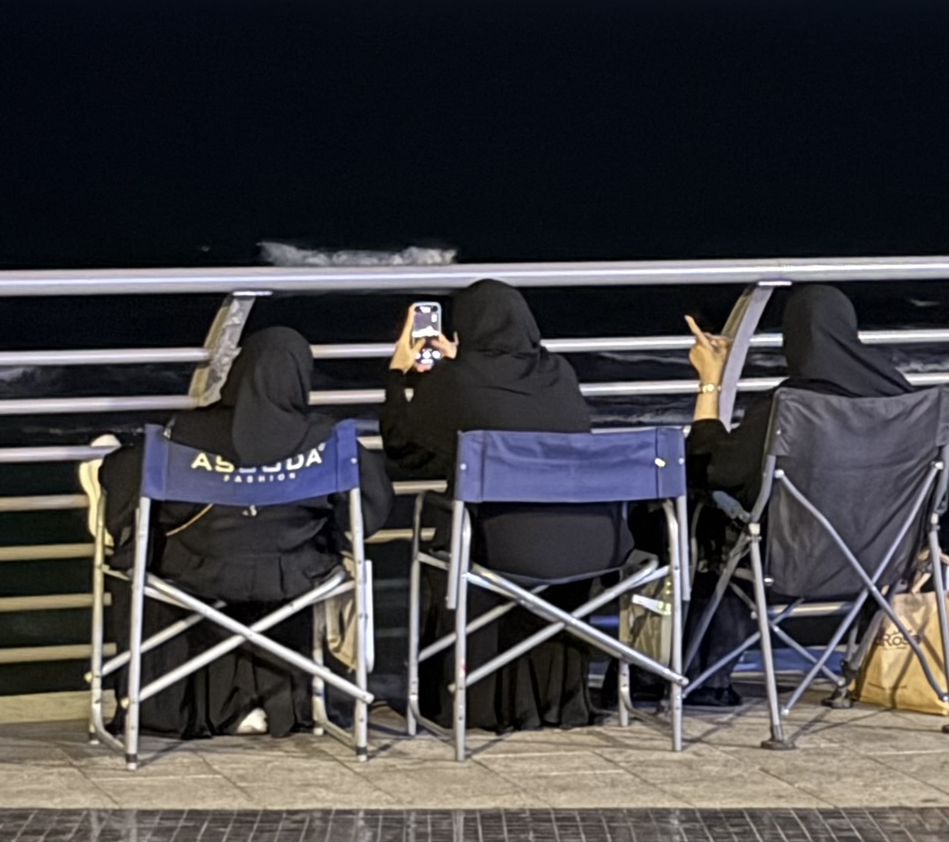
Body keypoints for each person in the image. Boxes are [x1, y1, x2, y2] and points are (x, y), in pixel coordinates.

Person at [99, 326, 394, 736]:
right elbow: (369, 513)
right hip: (294, 576)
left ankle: (171, 706)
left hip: (198, 575)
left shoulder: (182, 436)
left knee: (154, 552)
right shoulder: (329, 442)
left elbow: (122, 479)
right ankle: (283, 702)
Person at [382, 278, 627, 731]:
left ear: (464, 331)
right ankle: (555, 699)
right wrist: (466, 365)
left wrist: (399, 376)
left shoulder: (452, 382)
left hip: (501, 552)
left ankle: (470, 699)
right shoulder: (560, 374)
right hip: (592, 551)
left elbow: (404, 450)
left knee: (450, 527)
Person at [681, 284, 913, 700]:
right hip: (886, 560)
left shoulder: (791, 405)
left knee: (714, 523)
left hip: (791, 562)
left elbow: (714, 470)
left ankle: (704, 679)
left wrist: (711, 383)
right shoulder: (905, 401)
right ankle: (865, 669)